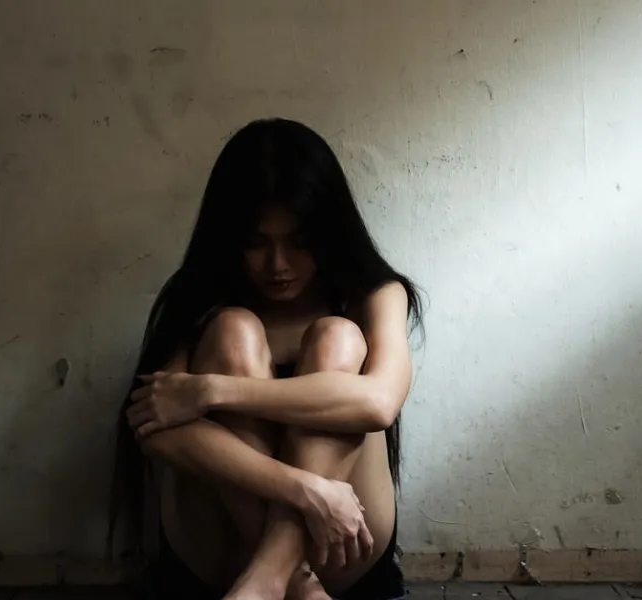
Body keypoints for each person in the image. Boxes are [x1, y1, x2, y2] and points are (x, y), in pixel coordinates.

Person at [108, 118, 423, 600]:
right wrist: (303, 489)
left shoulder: (372, 296)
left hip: (345, 548)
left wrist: (212, 391)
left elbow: (377, 403)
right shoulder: (200, 299)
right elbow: (154, 427)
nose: (278, 265)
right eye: (256, 243)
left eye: (299, 242)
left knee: (337, 338)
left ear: (329, 232)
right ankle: (290, 582)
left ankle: (266, 581)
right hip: (225, 551)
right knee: (232, 331)